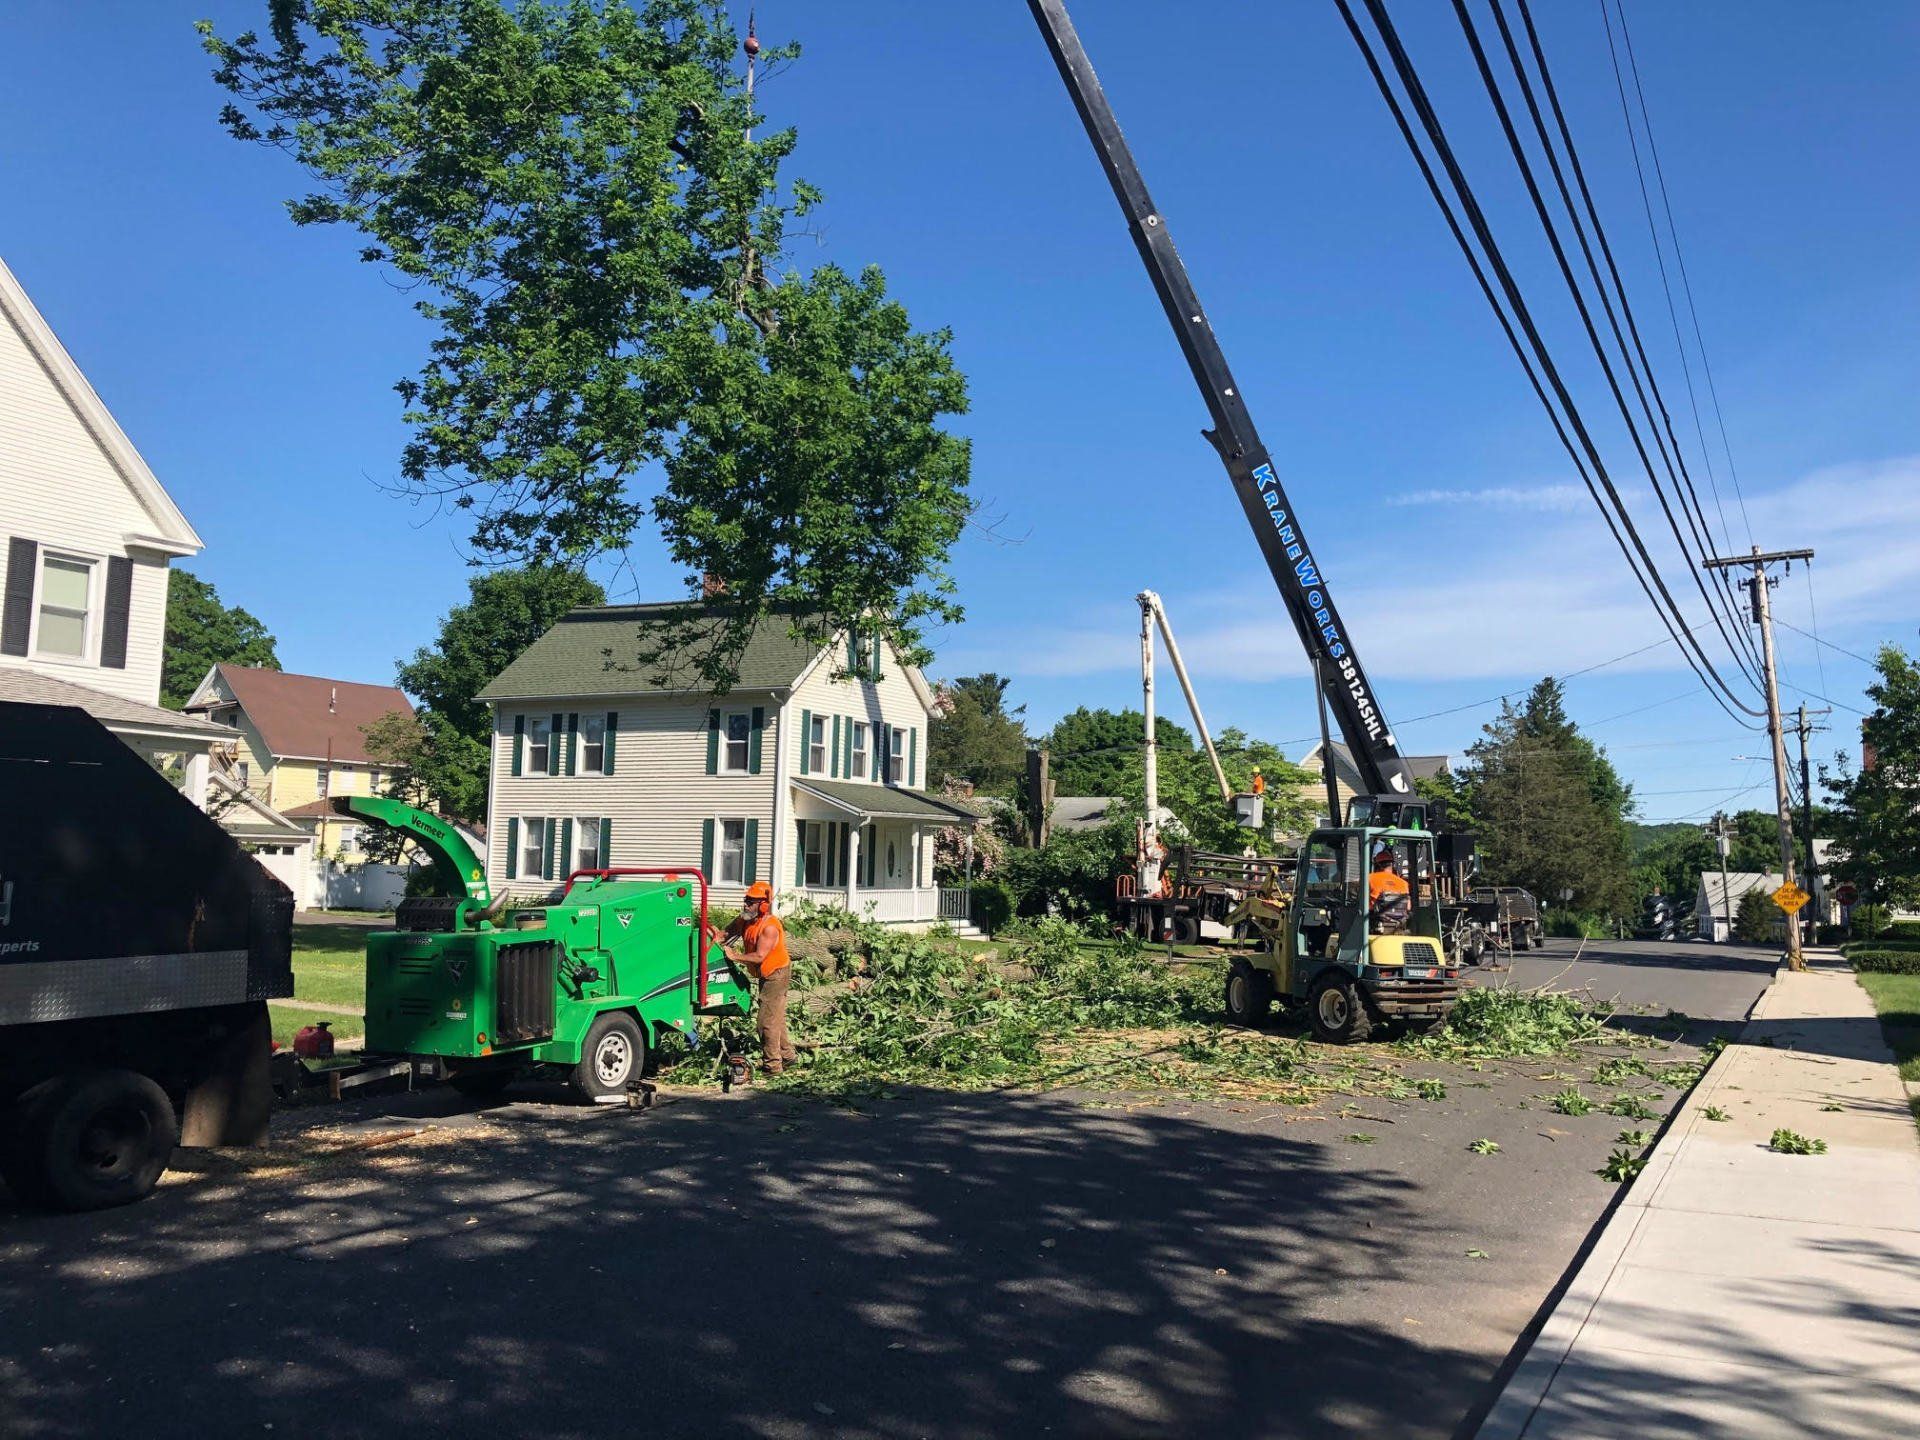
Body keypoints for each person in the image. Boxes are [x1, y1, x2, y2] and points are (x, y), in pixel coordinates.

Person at [725, 880, 798, 1074]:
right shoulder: (747, 918)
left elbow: (759, 956)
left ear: (763, 905)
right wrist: (715, 938)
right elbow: (729, 931)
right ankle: (788, 1057)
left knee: (765, 1022)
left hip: (776, 974)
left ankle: (773, 1065)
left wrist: (735, 956)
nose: (746, 904)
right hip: (766, 974)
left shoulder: (770, 927)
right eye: (746, 900)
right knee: (776, 1019)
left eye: (751, 902)